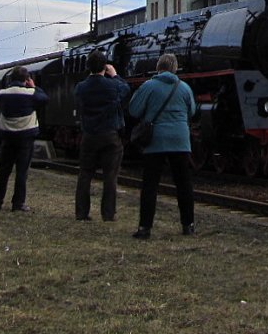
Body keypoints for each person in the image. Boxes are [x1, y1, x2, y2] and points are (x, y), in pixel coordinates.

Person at [128, 53, 196, 239]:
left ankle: (144, 228)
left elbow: (134, 110)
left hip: (155, 140)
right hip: (180, 140)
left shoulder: (149, 86)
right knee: (184, 184)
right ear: (175, 69)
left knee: (150, 185)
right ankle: (188, 225)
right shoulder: (184, 88)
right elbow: (193, 111)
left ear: (158, 67)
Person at [73, 50, 130, 222]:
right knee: (110, 176)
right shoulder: (113, 85)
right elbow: (125, 89)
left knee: (85, 174)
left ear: (88, 66)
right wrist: (115, 76)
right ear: (105, 67)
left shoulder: (81, 87)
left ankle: (82, 213)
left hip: (90, 134)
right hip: (110, 134)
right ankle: (108, 213)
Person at [0, 66, 48, 212]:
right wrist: (34, 86)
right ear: (26, 79)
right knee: (22, 172)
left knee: (4, 171)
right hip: (25, 136)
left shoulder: (2, 94)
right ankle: (18, 203)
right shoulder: (31, 93)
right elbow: (44, 99)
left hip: (7, 136)